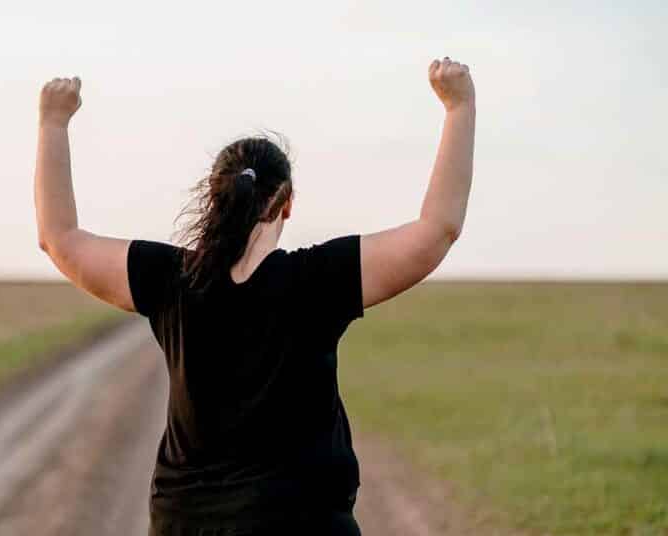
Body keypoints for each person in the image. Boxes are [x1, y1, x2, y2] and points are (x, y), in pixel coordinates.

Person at [34, 57, 475, 535]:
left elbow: (58, 237)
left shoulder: (172, 278)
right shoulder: (318, 279)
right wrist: (459, 108)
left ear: (214, 197)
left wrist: (52, 122)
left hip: (187, 524)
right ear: (286, 202)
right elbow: (437, 230)